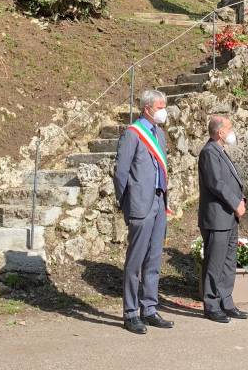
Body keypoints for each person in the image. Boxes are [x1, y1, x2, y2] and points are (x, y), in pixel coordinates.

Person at [113, 89, 172, 335]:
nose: (163, 110)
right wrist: (127, 204)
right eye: (160, 106)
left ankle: (149, 308)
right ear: (147, 108)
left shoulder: (159, 133)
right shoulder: (132, 134)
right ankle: (130, 313)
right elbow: (120, 174)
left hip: (158, 201)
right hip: (140, 204)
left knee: (154, 259)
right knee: (135, 261)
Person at [197, 115, 248, 323]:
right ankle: (211, 304)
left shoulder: (220, 151)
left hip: (228, 217)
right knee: (215, 262)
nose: (232, 131)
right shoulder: (209, 152)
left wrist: (240, 199)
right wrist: (235, 203)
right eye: (229, 128)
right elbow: (216, 183)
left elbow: (231, 181)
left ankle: (226, 301)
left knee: (228, 262)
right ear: (220, 132)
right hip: (217, 217)